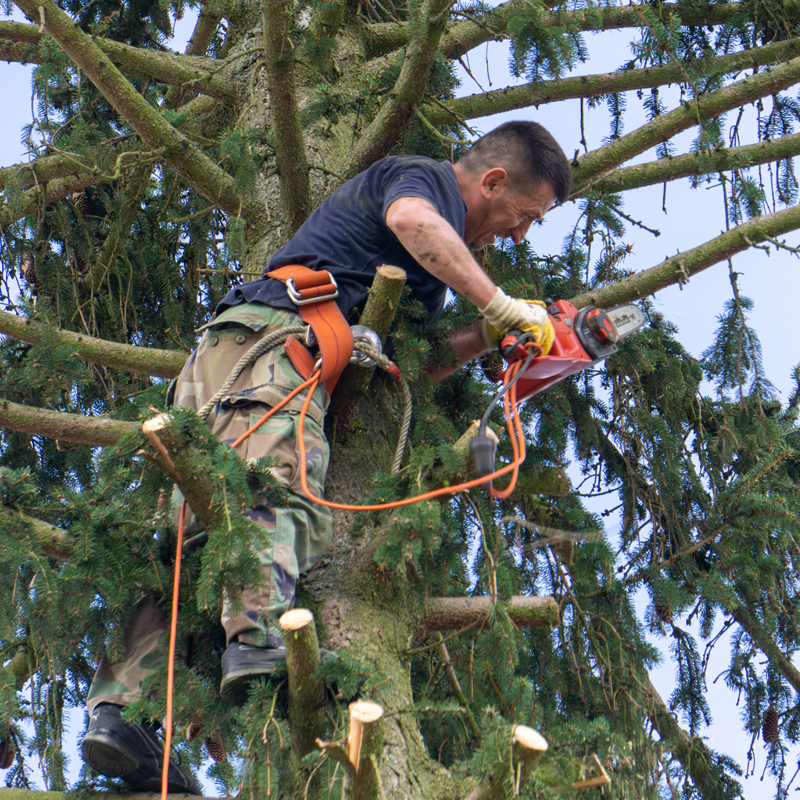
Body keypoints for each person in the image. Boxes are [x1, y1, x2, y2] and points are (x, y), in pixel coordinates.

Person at [80, 120, 572, 792]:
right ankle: (256, 642)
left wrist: (488, 333)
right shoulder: (424, 182)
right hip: (277, 345)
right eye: (525, 216)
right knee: (276, 490)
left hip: (244, 354)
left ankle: (123, 716)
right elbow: (412, 219)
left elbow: (410, 371)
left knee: (195, 539)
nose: (520, 235)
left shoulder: (426, 270)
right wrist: (502, 302)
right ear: (492, 181)